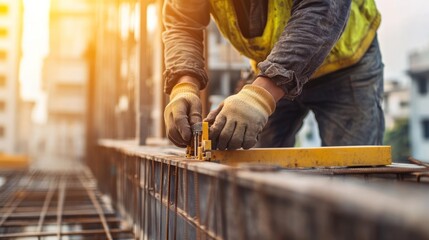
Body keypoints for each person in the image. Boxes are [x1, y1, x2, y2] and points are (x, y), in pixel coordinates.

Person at [163, 0, 384, 150]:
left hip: (346, 64)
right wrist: (184, 85)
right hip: (271, 68)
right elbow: (183, 21)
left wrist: (261, 96)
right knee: (253, 176)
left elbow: (319, 9)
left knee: (353, 177)